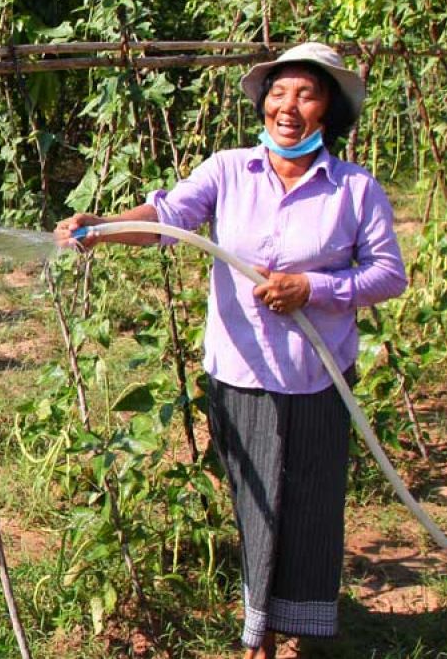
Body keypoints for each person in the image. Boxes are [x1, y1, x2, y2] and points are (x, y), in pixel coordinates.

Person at [54, 42, 408, 658]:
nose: (287, 106)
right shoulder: (227, 170)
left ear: (328, 111)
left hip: (319, 376)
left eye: (305, 93)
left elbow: (388, 275)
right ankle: (259, 634)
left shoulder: (354, 189)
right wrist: (104, 227)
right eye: (278, 92)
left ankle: (304, 629)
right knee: (258, 505)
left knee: (312, 504)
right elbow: (167, 216)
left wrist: (315, 288)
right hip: (241, 373)